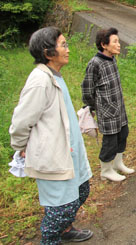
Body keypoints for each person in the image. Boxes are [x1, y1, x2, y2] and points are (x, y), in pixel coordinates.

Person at [10, 27, 93, 243]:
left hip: (69, 150)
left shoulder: (54, 75)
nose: (67, 49)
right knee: (61, 208)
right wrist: (21, 147)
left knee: (81, 189)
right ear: (48, 53)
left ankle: (65, 230)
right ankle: (50, 239)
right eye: (63, 45)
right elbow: (21, 121)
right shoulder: (39, 80)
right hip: (52, 154)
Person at [82, 27, 134, 182]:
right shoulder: (95, 63)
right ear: (104, 45)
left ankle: (118, 164)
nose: (119, 45)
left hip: (119, 108)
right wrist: (94, 106)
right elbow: (87, 88)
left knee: (123, 134)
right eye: (115, 42)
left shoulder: (112, 59)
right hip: (107, 111)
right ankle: (106, 170)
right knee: (110, 141)